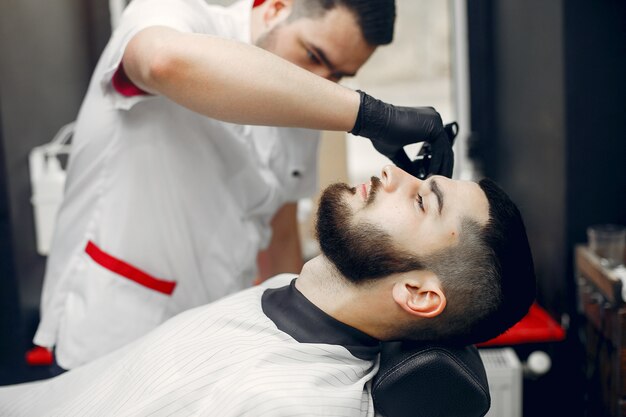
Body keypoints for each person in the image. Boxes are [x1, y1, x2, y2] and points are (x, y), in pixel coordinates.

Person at [33, 0, 457, 372]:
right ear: (274, 7)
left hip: (204, 333)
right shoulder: (171, 14)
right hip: (112, 324)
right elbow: (161, 62)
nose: (321, 83)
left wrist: (294, 345)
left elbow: (281, 226)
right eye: (313, 55)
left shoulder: (306, 105)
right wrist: (369, 115)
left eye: (339, 76)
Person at [1, 165, 536, 416]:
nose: (391, 172)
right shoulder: (290, 292)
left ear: (419, 294)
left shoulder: (295, 404)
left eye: (423, 201)